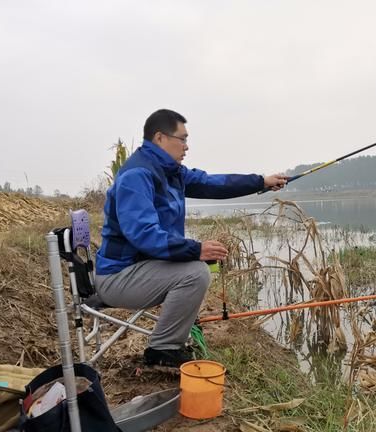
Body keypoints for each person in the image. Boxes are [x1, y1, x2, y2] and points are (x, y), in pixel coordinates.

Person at [95, 108, 287, 367]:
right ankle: (162, 350)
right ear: (160, 138)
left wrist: (260, 182)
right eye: (182, 139)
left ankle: (174, 334)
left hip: (143, 267)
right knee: (196, 273)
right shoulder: (137, 175)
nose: (186, 146)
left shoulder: (171, 172)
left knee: (196, 268)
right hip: (119, 277)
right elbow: (144, 234)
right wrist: (196, 249)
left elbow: (213, 183)